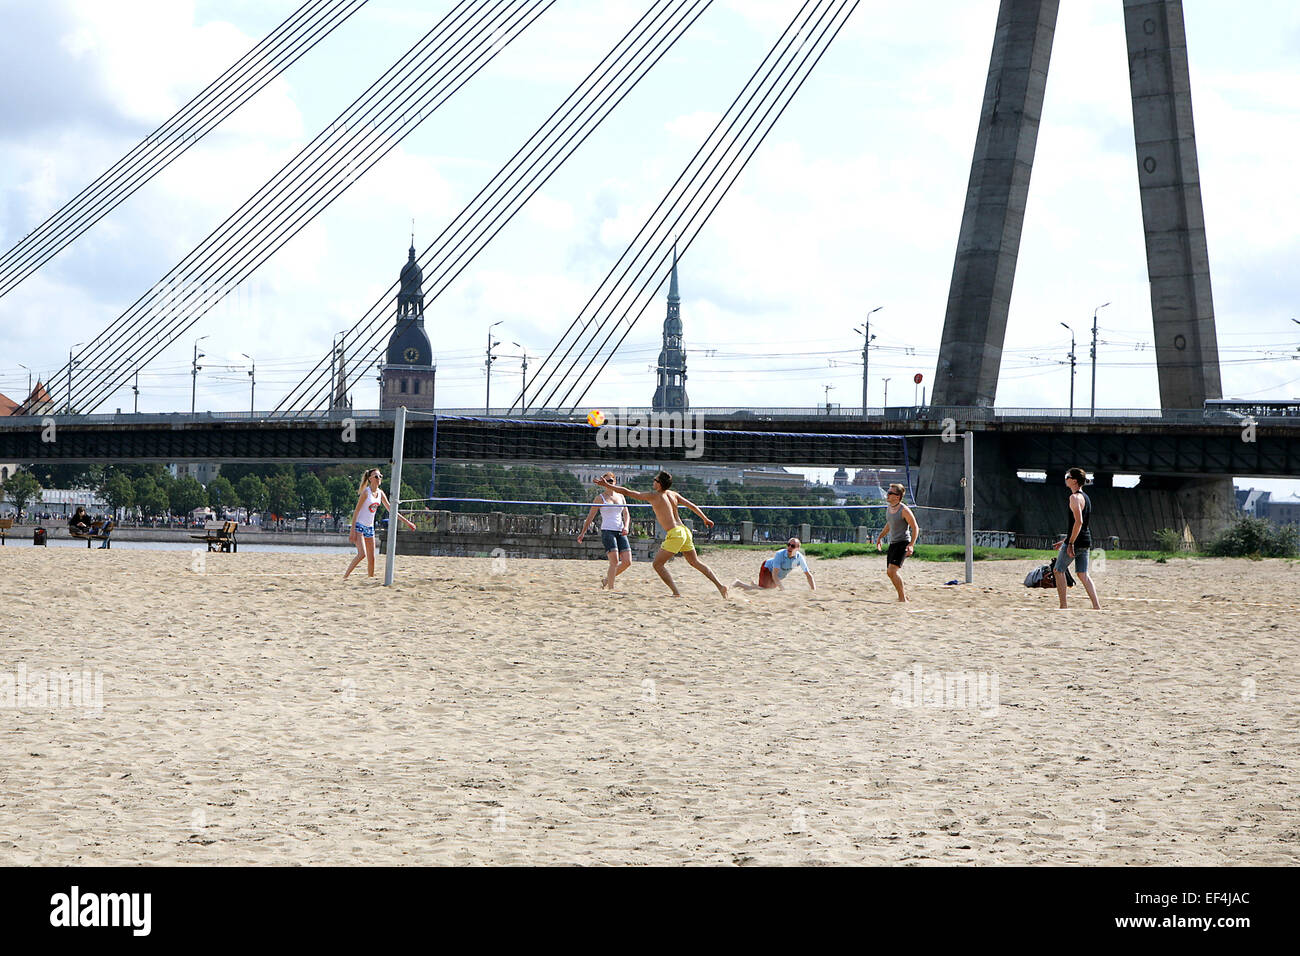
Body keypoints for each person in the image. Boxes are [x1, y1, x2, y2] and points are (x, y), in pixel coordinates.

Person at [593, 471, 727, 598]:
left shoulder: (655, 495)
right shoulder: (673, 494)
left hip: (675, 533)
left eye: (655, 479)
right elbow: (691, 505)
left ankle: (676, 592)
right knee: (695, 562)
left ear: (660, 483)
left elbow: (627, 492)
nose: (653, 481)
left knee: (657, 564)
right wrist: (705, 518)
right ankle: (720, 586)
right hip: (684, 531)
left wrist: (607, 485)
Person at [345, 468, 415, 580]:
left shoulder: (380, 493)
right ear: (370, 479)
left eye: (380, 476)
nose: (379, 479)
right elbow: (356, 511)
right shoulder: (366, 492)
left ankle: (370, 579)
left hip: (370, 527)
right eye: (376, 477)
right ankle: (345, 577)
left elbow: (391, 510)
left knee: (372, 558)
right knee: (362, 554)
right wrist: (352, 530)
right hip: (359, 526)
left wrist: (407, 522)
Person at [1055, 466, 1101, 610]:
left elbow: (1079, 522)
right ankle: (1096, 606)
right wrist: (1064, 541)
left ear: (1074, 481)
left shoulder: (1074, 497)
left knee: (1058, 570)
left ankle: (1063, 605)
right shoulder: (1086, 497)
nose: (1066, 479)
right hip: (1086, 539)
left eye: (1068, 477)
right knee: (1083, 574)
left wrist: (1070, 543)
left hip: (1076, 541)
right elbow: (1081, 525)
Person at [578, 471, 633, 589]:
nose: (608, 483)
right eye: (606, 481)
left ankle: (607, 580)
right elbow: (590, 516)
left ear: (615, 482)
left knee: (627, 561)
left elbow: (626, 514)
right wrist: (582, 533)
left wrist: (626, 526)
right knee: (614, 561)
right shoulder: (600, 498)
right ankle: (611, 588)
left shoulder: (621, 496)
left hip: (620, 530)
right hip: (608, 531)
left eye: (610, 481)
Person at [875, 483, 920, 602]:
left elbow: (915, 527)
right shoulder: (889, 508)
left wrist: (911, 545)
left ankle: (902, 598)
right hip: (893, 543)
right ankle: (903, 595)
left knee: (892, 570)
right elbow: (889, 524)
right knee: (890, 573)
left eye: (890, 493)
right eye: (888, 492)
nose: (887, 495)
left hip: (903, 543)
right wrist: (880, 537)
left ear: (897, 496)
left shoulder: (904, 510)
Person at [733, 537, 816, 591]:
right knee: (765, 590)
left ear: (797, 548)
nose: (790, 547)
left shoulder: (800, 558)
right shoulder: (780, 554)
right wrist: (782, 589)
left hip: (779, 575)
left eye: (793, 546)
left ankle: (754, 585)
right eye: (788, 545)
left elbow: (808, 575)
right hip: (767, 569)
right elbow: (774, 574)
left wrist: (813, 590)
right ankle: (739, 583)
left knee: (768, 589)